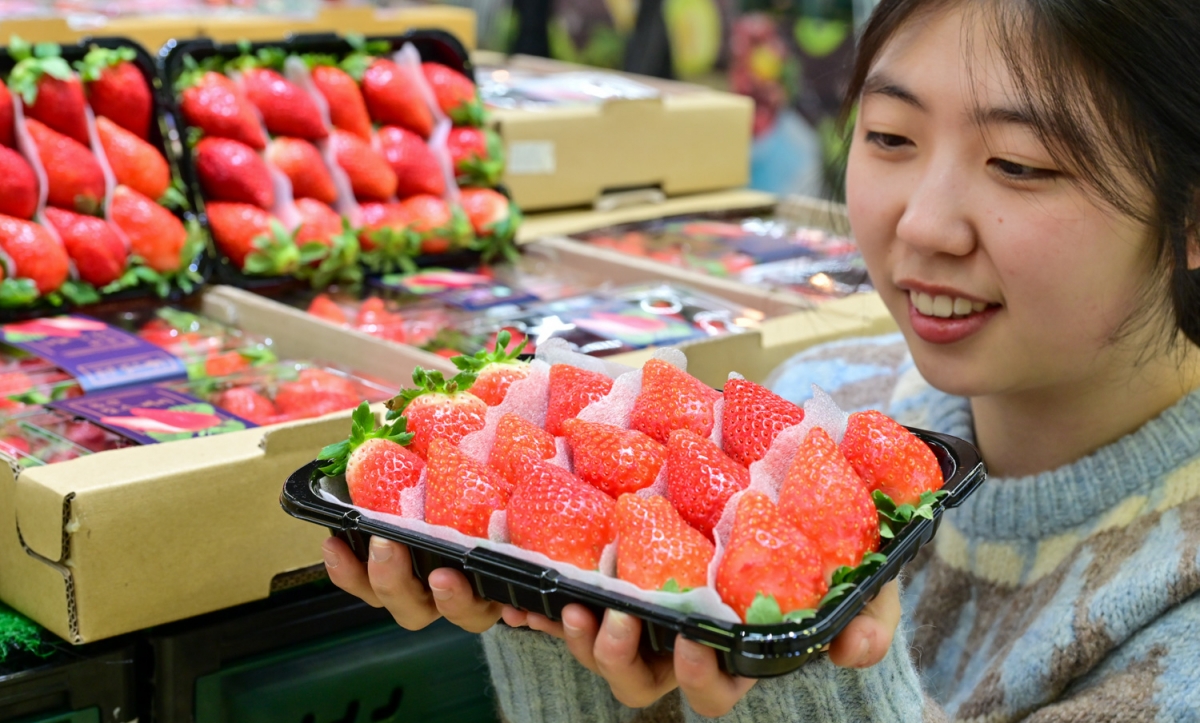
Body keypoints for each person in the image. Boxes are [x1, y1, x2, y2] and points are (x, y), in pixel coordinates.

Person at [320, 0, 1200, 719]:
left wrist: (803, 662)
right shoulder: (815, 400)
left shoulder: (1178, 611)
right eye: (891, 137)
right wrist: (546, 603)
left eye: (1018, 163)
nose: (924, 223)